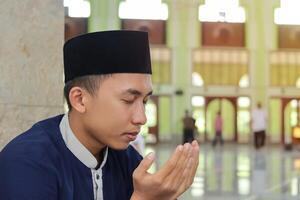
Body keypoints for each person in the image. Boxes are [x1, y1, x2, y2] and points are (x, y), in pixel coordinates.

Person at [0, 30, 199, 200]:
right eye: (129, 100)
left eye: (145, 101)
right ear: (79, 99)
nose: (142, 118)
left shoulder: (129, 162)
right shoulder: (27, 163)